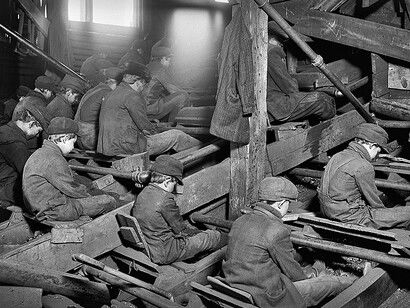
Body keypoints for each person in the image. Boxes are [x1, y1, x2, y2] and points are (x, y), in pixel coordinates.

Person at [223, 177, 355, 307]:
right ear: (281, 203)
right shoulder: (277, 230)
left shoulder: (240, 220)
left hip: (235, 283)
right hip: (268, 297)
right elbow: (293, 272)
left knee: (315, 265)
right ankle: (356, 282)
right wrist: (310, 282)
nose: (289, 207)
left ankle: (317, 269)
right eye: (289, 203)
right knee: (331, 283)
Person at [132, 155, 223, 264]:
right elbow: (180, 229)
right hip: (167, 252)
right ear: (167, 180)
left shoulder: (143, 192)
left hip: (151, 248)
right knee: (210, 237)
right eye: (175, 182)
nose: (175, 186)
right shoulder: (166, 199)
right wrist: (198, 233)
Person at [23, 117, 117, 221]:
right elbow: (73, 190)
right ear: (64, 139)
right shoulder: (54, 159)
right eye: (73, 142)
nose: (73, 147)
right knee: (108, 201)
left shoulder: (41, 153)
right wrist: (96, 194)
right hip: (56, 210)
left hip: (39, 206)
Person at [97, 62, 201, 157]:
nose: (143, 88)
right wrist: (158, 132)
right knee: (177, 135)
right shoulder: (133, 96)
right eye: (144, 84)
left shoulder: (111, 93)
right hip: (127, 148)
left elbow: (123, 118)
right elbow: (145, 127)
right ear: (137, 80)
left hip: (107, 147)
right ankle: (204, 151)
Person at [318, 123, 410, 229]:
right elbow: (375, 204)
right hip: (350, 218)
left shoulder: (337, 156)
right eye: (378, 150)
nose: (377, 155)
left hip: (326, 210)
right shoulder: (364, 166)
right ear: (372, 145)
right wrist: (388, 216)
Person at [266, 22, 336, 123]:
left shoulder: (261, 52)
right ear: (272, 38)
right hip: (276, 107)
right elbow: (288, 86)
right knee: (323, 100)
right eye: (280, 41)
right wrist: (297, 89)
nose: (282, 45)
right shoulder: (272, 51)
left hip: (270, 106)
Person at [0, 100, 49, 207]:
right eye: (38, 131)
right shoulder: (14, 142)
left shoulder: (6, 129)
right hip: (4, 188)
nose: (37, 136)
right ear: (32, 124)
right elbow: (28, 171)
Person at [75, 67, 123, 150]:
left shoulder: (95, 89)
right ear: (116, 83)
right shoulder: (108, 94)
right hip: (89, 139)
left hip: (79, 136)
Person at [144, 42, 189, 124]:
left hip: (140, 107)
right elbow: (174, 91)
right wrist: (189, 103)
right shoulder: (161, 70)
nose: (170, 63)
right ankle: (173, 125)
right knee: (183, 95)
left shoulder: (146, 66)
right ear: (163, 59)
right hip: (149, 109)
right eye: (169, 60)